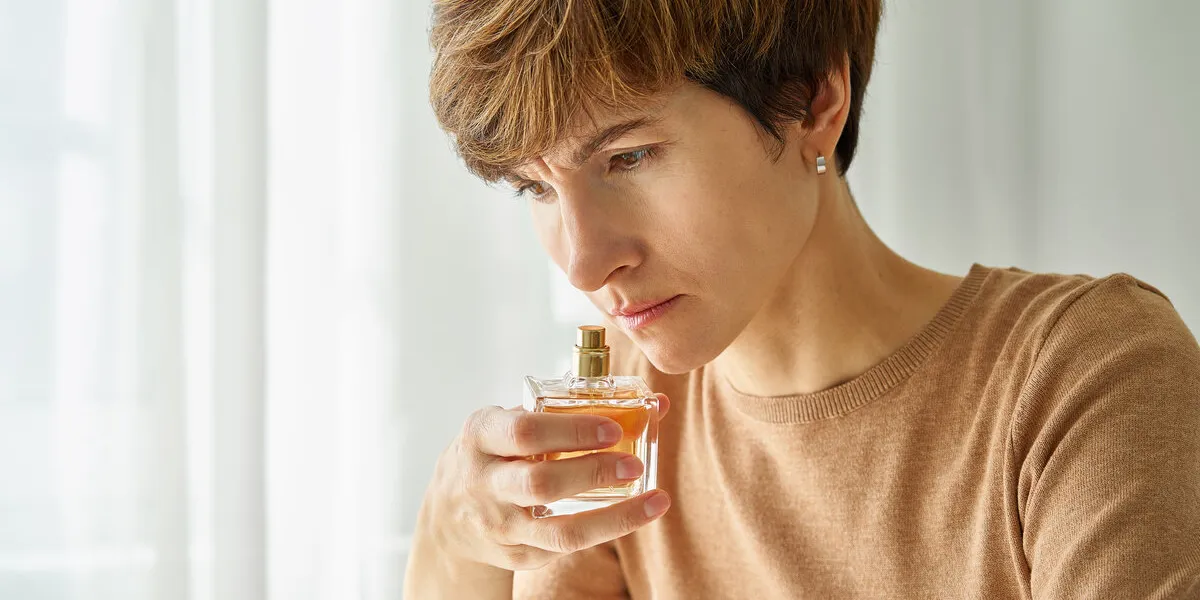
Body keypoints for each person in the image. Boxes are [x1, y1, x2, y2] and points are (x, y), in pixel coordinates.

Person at [404, 0, 1200, 598]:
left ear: (815, 98)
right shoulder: (627, 422)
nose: (583, 263)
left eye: (630, 156)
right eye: (534, 188)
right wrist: (454, 537)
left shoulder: (1084, 378)